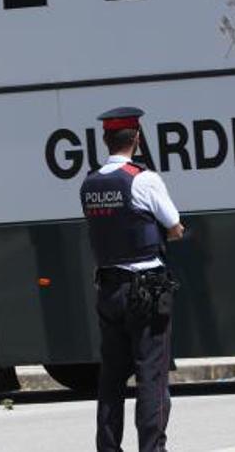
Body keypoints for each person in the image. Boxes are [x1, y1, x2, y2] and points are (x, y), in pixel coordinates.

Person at [79, 107, 186, 452]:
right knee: (150, 375)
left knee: (111, 378)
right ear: (137, 138)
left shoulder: (90, 183)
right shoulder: (143, 178)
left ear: (104, 139)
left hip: (108, 288)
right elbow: (174, 225)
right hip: (146, 288)